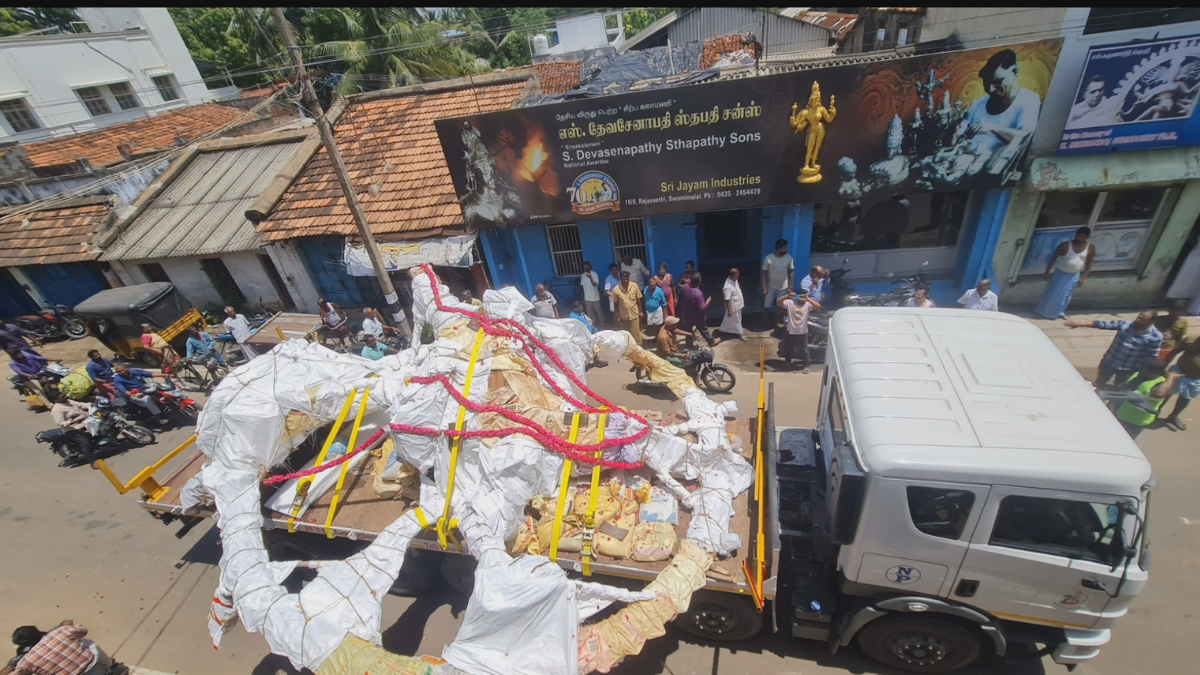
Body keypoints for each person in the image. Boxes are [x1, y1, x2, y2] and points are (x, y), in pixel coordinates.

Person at [965, 48, 1041, 164]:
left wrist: (992, 127)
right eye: (986, 83)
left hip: (992, 167)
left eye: (998, 81)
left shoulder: (1029, 99)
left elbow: (1025, 138)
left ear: (1015, 73)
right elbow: (959, 136)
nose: (990, 89)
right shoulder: (979, 103)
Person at [1065, 310, 1163, 388]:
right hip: (1110, 362)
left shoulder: (1155, 336)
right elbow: (1103, 324)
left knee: (1120, 387)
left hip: (1128, 368)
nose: (1138, 319)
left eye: (1143, 319)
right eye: (1139, 316)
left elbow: (1151, 356)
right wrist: (1079, 324)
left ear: (1151, 321)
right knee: (1100, 382)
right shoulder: (1126, 324)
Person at [7, 621, 122, 675]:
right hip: (94, 669)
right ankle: (111, 665)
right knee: (86, 643)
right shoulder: (60, 632)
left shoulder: (26, 661)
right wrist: (68, 625)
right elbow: (83, 630)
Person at [1037, 227, 1096, 319]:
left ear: (1087, 237)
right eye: (1078, 236)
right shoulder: (1065, 246)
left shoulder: (1090, 248)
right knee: (1053, 293)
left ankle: (1060, 312)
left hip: (1074, 275)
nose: (1079, 238)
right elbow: (1053, 258)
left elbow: (1089, 263)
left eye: (1082, 236)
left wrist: (1083, 278)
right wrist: (1047, 272)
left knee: (1066, 295)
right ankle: (1044, 312)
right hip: (1060, 273)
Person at [1113, 360, 1179, 439]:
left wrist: (1171, 378)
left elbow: (1159, 393)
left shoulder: (1160, 384)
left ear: (1155, 372)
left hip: (1137, 421)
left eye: (1144, 369)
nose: (1140, 370)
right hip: (1120, 414)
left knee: (1125, 441)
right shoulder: (1138, 375)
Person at [1163, 335, 1200, 431]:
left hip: (1196, 379)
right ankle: (1153, 412)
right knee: (1165, 393)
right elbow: (1174, 352)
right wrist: (1163, 368)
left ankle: (1173, 417)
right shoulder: (1190, 339)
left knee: (1186, 398)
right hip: (1178, 371)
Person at [778, 290, 820, 373]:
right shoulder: (790, 303)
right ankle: (788, 361)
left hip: (803, 332)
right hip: (790, 331)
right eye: (801, 297)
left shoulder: (808, 304)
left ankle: (806, 365)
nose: (802, 299)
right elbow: (779, 303)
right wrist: (787, 296)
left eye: (804, 297)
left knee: (804, 350)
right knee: (788, 348)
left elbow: (818, 306)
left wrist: (808, 299)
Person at [676, 274, 720, 350]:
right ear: (699, 282)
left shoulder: (685, 287)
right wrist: (708, 302)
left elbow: (680, 285)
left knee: (688, 329)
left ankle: (689, 345)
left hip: (687, 314)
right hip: (698, 316)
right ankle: (711, 341)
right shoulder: (698, 293)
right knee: (703, 329)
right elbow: (702, 308)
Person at [762, 239, 795, 326]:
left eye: (786, 247)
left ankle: (777, 324)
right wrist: (764, 288)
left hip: (783, 287)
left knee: (780, 307)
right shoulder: (768, 258)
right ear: (778, 248)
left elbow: (791, 272)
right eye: (784, 248)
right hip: (771, 287)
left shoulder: (789, 258)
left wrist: (790, 287)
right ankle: (763, 322)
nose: (786, 249)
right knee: (766, 306)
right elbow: (764, 273)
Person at [611, 271, 644, 342]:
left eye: (626, 279)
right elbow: (616, 304)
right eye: (623, 279)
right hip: (624, 316)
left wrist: (640, 311)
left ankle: (638, 349)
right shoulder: (616, 289)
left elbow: (639, 300)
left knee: (636, 335)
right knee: (626, 336)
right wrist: (617, 316)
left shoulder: (634, 286)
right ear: (620, 279)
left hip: (634, 315)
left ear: (629, 278)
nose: (625, 281)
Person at [720, 268, 746, 339]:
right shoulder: (727, 287)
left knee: (733, 320)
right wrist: (729, 310)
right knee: (736, 320)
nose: (737, 278)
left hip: (737, 305)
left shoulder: (734, 281)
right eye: (736, 276)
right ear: (731, 276)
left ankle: (724, 330)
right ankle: (740, 333)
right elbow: (727, 299)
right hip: (733, 307)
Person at [579, 262, 604, 327]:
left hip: (595, 297)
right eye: (584, 268)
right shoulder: (583, 276)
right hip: (587, 298)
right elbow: (583, 287)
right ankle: (593, 323)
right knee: (590, 313)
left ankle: (602, 322)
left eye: (587, 267)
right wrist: (583, 298)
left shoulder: (594, 274)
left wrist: (590, 277)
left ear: (590, 267)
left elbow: (595, 284)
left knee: (599, 312)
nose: (586, 269)